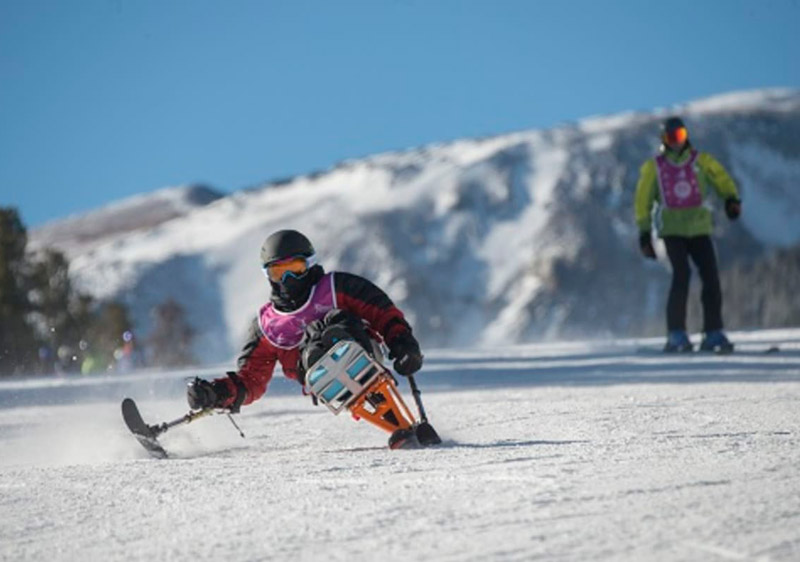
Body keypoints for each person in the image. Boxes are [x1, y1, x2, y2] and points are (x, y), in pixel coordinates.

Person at [186, 229, 424, 412]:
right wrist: (216, 393)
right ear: (268, 276)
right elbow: (251, 379)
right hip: (324, 383)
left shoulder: (337, 287)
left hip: (364, 359)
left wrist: (402, 343)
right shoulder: (267, 325)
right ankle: (321, 363)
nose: (288, 279)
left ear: (308, 265)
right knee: (312, 348)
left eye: (295, 268)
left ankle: (377, 396)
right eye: (278, 273)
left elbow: (382, 312)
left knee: (330, 327)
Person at [634, 116, 742, 352]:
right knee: (681, 275)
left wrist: (731, 199)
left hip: (699, 227)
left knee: (711, 277)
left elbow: (720, 178)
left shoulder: (700, 161)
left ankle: (713, 332)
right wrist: (644, 233)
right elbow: (643, 200)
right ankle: (676, 334)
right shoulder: (655, 167)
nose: (676, 142)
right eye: (671, 138)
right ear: (663, 140)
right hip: (672, 230)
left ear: (686, 136)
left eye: (680, 136)